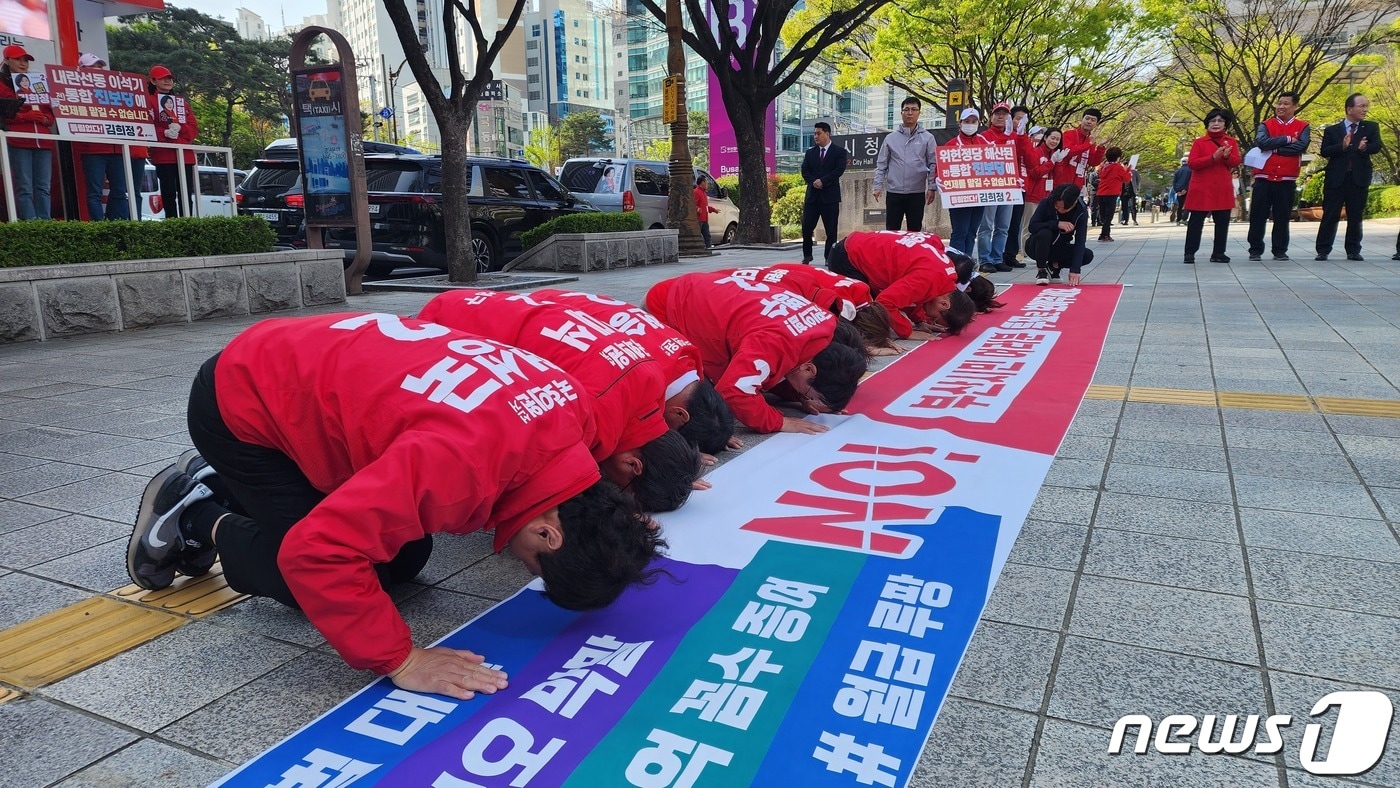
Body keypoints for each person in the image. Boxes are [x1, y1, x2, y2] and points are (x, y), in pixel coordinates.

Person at [126, 312, 662, 699]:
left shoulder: (574, 417)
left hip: (303, 362)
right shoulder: (461, 466)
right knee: (312, 578)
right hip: (243, 403)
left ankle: (221, 485)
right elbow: (317, 553)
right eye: (530, 563)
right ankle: (196, 515)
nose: (515, 558)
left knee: (403, 560)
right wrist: (402, 659)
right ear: (550, 535)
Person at [416, 290, 702, 513]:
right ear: (633, 466)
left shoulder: (652, 377)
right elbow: (531, 483)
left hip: (482, 305)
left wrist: (674, 472)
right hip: (444, 328)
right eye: (623, 488)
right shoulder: (590, 417)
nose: (614, 486)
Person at [646, 272, 867, 436]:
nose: (806, 399)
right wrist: (780, 422)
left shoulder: (824, 323)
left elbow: (777, 370)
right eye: (809, 394)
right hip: (669, 307)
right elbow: (733, 392)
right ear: (809, 368)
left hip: (704, 291)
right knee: (682, 390)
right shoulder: (775, 342)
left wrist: (801, 397)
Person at [530, 288, 739, 456]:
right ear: (680, 413)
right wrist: (673, 457)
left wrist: (716, 429)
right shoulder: (637, 377)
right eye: (674, 432)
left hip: (559, 299)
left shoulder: (684, 355)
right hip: (537, 312)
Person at [718, 263, 902, 356]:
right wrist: (866, 350)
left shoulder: (862, 292)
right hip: (769, 282)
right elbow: (831, 340)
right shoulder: (841, 305)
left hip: (779, 274)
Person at [826, 230, 976, 338]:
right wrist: (907, 331)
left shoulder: (946, 276)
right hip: (848, 258)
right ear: (945, 304)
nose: (931, 317)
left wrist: (919, 320)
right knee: (867, 322)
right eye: (935, 318)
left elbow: (915, 294)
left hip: (857, 246)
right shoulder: (930, 278)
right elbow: (885, 302)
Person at [1315, 93, 1383, 262]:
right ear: (1349, 109)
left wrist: (1364, 148)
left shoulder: (1371, 127)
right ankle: (1323, 250)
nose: (1365, 110)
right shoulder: (1332, 130)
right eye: (1361, 106)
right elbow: (1325, 151)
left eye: (1366, 106)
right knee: (1330, 214)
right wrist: (1342, 146)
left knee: (1355, 215)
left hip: (1358, 178)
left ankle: (1353, 250)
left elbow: (1377, 146)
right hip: (1336, 178)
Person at [1246, 92, 1310, 261]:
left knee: (1282, 216)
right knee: (1258, 216)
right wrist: (1288, 139)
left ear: (1295, 106)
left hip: (1287, 179)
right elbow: (1261, 142)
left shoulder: (1303, 126)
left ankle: (1280, 250)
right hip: (1263, 177)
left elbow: (1301, 147)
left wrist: (1274, 148)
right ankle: (1255, 249)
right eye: (1279, 103)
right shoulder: (1266, 124)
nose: (1281, 107)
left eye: (1286, 104)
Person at [1, 44, 56, 220]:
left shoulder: (37, 82)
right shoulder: (2, 85)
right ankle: (30, 226)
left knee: (44, 187)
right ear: (7, 60)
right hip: (19, 141)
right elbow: (3, 114)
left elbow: (50, 114)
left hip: (43, 140)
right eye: (18, 59)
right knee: (24, 187)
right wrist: (26, 116)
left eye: (25, 60)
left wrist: (45, 120)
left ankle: (45, 224)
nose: (23, 63)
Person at [73, 54, 129, 221]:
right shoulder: (74, 90)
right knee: (94, 192)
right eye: (94, 66)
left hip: (116, 147)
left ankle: (116, 225)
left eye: (100, 66)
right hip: (92, 149)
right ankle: (99, 228)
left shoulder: (114, 90)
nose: (98, 70)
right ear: (82, 69)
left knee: (120, 190)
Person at [1183, 108, 1243, 264]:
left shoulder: (1231, 141)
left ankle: (1219, 252)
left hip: (1222, 186)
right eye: (1213, 121)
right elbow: (1193, 163)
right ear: (1207, 124)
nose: (1216, 124)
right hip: (1202, 187)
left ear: (1225, 124)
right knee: (1196, 221)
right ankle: (1189, 253)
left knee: (1222, 222)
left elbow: (1236, 162)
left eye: (1220, 121)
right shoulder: (1199, 142)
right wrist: (1212, 158)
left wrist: (1227, 157)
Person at [873, 96, 938, 231]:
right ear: (901, 113)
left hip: (917, 192)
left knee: (914, 231)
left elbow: (933, 164)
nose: (910, 113)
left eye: (914, 109)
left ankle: (912, 253)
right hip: (894, 192)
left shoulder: (928, 138)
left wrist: (932, 187)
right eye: (906, 109)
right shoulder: (891, 138)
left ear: (919, 113)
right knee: (892, 230)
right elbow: (881, 164)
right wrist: (877, 186)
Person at [148, 65, 199, 218]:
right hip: (163, 155)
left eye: (169, 78)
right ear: (152, 80)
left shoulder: (181, 102)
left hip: (185, 156)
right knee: (168, 194)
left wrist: (180, 128)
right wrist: (163, 133)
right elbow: (145, 126)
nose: (167, 81)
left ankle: (187, 224)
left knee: (186, 195)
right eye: (163, 78)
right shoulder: (148, 101)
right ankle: (172, 224)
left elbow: (193, 128)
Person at [943, 108, 992, 257]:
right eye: (967, 121)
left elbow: (997, 163)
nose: (970, 124)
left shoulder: (985, 143)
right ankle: (956, 264)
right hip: (959, 196)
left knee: (971, 232)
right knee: (960, 232)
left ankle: (968, 262)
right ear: (960, 123)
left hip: (978, 196)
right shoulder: (951, 145)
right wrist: (940, 180)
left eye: (973, 121)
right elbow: (941, 168)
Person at [977, 102, 1018, 273]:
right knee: (986, 225)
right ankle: (985, 259)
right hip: (989, 186)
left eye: (1005, 114)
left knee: (1003, 226)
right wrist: (1006, 136)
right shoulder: (983, 136)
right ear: (991, 117)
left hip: (1009, 185)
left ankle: (997, 257)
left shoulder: (1015, 137)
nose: (1001, 116)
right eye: (997, 113)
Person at [1026, 183, 1093, 286]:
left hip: (1059, 247)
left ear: (1074, 203)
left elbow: (1080, 241)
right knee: (1045, 233)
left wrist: (1075, 269)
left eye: (1063, 209)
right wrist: (1056, 224)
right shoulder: (1047, 202)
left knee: (1087, 255)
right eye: (1057, 207)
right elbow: (1032, 226)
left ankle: (1054, 266)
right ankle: (1041, 270)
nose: (1059, 210)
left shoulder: (1081, 211)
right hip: (1036, 246)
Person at [801, 122, 847, 264]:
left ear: (827, 134)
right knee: (806, 227)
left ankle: (829, 257)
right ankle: (807, 255)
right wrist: (814, 181)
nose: (816, 136)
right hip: (812, 198)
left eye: (818, 133)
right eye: (814, 133)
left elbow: (838, 171)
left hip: (830, 197)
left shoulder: (839, 152)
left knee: (831, 230)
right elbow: (805, 170)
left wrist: (823, 181)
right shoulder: (810, 153)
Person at [1000, 107, 1037, 269]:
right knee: (1001, 223)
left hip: (1020, 186)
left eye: (1023, 119)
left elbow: (1030, 160)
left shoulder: (1024, 137)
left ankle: (1010, 254)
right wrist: (1009, 136)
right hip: (1003, 184)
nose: (1019, 122)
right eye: (1017, 118)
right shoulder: (1004, 135)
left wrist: (1021, 136)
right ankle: (997, 254)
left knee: (1015, 222)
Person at [1056, 109, 1107, 188]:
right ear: (1082, 119)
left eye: (1093, 120)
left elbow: (1093, 162)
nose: (1089, 122)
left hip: (1077, 184)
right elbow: (1069, 151)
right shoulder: (1068, 134)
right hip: (1061, 180)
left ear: (1096, 124)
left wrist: (1100, 148)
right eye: (1087, 118)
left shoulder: (1091, 140)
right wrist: (1088, 144)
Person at [1095, 148, 1130, 241]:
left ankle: (1106, 234)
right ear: (1118, 158)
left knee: (1103, 215)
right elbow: (1126, 179)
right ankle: (1104, 235)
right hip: (1111, 193)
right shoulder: (1118, 167)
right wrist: (1128, 170)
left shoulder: (1103, 167)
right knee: (1109, 216)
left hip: (1100, 193)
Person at [694, 174, 720, 249]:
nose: (707, 184)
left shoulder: (704, 193)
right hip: (699, 219)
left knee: (707, 235)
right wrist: (697, 209)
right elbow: (693, 204)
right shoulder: (696, 192)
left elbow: (705, 206)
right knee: (699, 235)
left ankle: (709, 248)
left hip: (704, 219)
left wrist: (713, 210)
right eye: (706, 182)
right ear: (702, 183)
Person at [1171, 157, 1192, 224]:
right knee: (1187, 205)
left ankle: (1178, 219)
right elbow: (1190, 181)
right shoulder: (1190, 170)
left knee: (1180, 205)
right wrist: (1185, 189)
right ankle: (1184, 219)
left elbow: (1174, 182)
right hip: (1187, 190)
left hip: (1179, 191)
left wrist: (1177, 191)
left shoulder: (1177, 171)